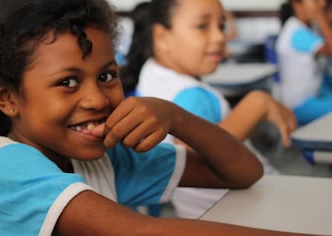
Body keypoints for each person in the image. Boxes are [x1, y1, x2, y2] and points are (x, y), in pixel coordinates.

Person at [0, 0, 315, 235]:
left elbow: (243, 172)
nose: (95, 98)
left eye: (107, 75)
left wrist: (175, 117)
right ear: (8, 97)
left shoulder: (102, 156)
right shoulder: (9, 169)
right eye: (67, 82)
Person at [122, 0, 296, 219]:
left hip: (208, 212)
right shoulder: (192, 96)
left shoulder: (152, 71)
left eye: (221, 26)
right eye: (202, 26)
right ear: (162, 37)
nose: (219, 37)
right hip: (247, 210)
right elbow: (195, 155)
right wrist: (256, 105)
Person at [276, 0, 332, 125]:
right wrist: (319, 15)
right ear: (297, 4)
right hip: (300, 104)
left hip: (316, 93)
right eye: (316, 1)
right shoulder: (297, 32)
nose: (322, 4)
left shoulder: (307, 27)